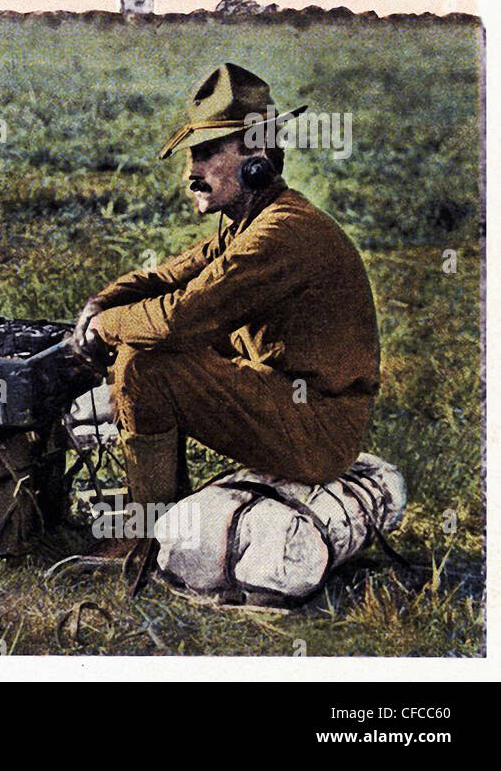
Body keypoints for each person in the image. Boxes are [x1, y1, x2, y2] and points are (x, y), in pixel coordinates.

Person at [72, 63, 380, 560]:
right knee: (151, 338)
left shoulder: (283, 232)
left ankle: (146, 538)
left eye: (206, 153)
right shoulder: (249, 223)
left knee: (146, 361)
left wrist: (104, 328)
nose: (190, 173)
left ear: (257, 154)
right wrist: (100, 304)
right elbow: (165, 277)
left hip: (317, 429)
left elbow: (177, 316)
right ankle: (163, 519)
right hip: (292, 405)